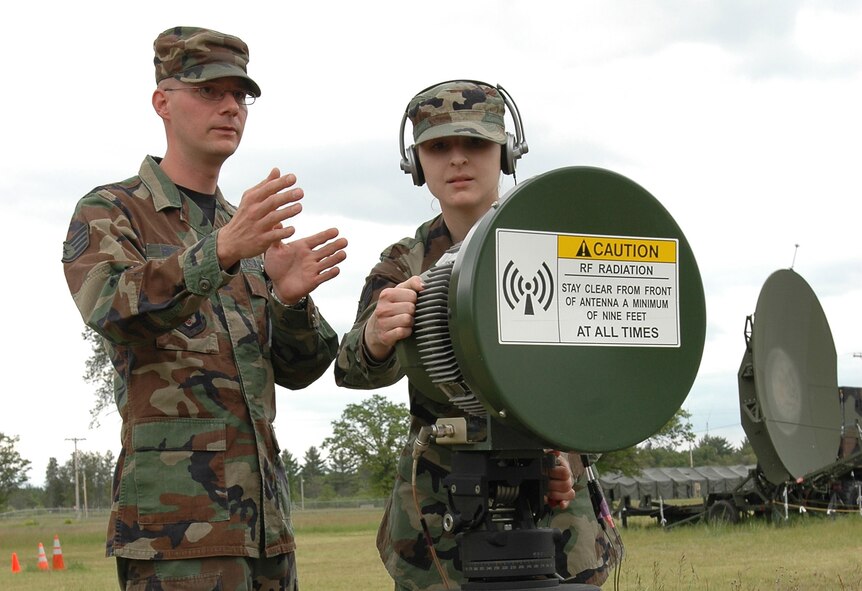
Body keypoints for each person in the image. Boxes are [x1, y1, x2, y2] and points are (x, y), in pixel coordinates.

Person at [61, 26, 347, 590]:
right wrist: (217, 253)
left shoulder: (245, 229)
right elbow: (110, 308)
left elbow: (301, 369)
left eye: (240, 96)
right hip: (175, 535)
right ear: (162, 101)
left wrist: (290, 301)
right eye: (209, 91)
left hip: (266, 531)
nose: (230, 108)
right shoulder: (111, 211)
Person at [335, 80, 618, 590]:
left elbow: (597, 365)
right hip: (444, 507)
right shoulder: (403, 263)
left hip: (552, 494)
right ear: (417, 164)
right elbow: (349, 368)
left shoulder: (558, 240)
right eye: (439, 147)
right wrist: (378, 336)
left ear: (506, 153)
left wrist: (565, 455)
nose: (457, 160)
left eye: (476, 145)